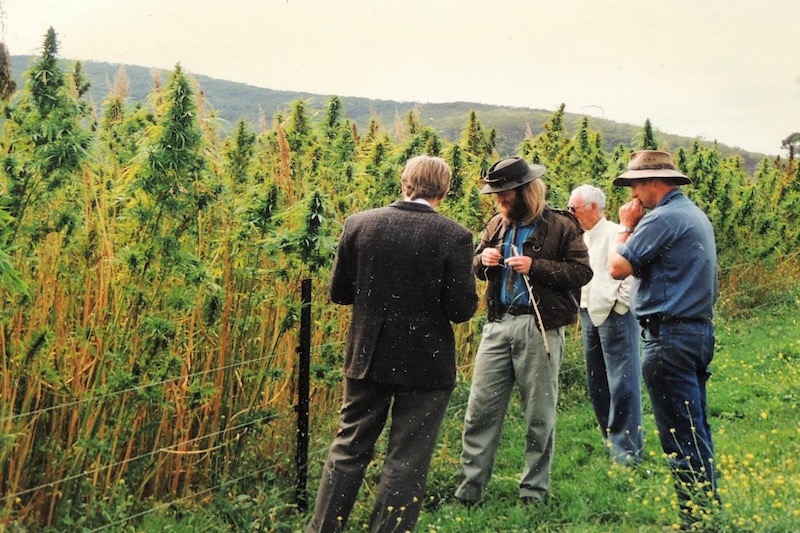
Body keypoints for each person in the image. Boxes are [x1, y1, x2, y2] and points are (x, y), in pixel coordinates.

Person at [306, 155, 478, 533]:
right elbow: (461, 309)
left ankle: (323, 529)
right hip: (426, 364)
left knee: (348, 448)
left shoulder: (359, 224)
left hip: (367, 355)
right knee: (408, 459)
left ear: (404, 182)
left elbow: (339, 293)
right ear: (445, 191)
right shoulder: (456, 236)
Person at [454, 156, 592, 506]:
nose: (498, 200)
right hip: (498, 326)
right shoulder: (497, 224)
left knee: (538, 415)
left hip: (539, 327)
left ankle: (533, 493)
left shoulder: (562, 226)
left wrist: (537, 267)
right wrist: (481, 262)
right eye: (496, 194)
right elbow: (474, 263)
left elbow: (581, 273)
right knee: (479, 410)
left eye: (504, 194)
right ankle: (469, 491)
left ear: (525, 191)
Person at [609, 150, 720, 529]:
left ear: (653, 183)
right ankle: (708, 511)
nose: (633, 195)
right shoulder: (691, 213)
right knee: (696, 427)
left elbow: (617, 267)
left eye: (636, 185)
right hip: (696, 332)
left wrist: (626, 225)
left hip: (668, 337)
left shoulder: (661, 218)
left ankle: (696, 521)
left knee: (679, 436)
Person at [568, 184, 643, 466]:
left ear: (594, 208)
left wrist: (621, 304)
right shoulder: (580, 237)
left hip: (616, 314)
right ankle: (610, 440)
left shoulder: (616, 232)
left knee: (622, 383)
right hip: (589, 313)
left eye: (575, 208)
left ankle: (628, 453)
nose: (571, 213)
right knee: (597, 381)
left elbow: (630, 274)